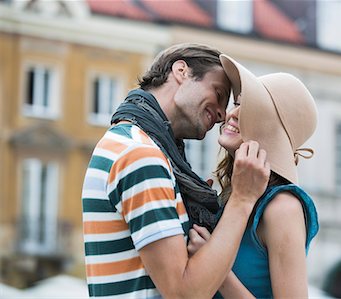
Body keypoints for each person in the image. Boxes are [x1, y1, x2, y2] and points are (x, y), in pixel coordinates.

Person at [82, 44, 270, 298]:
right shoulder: (141, 156)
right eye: (218, 92)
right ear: (181, 71)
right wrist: (242, 199)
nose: (222, 115)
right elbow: (184, 293)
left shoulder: (133, 144)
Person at [187, 54, 320, 298]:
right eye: (236, 103)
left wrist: (217, 271)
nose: (232, 113)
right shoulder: (234, 196)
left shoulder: (283, 207)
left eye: (249, 107)